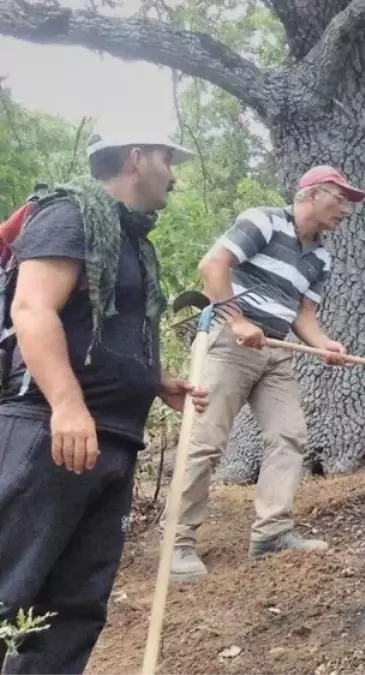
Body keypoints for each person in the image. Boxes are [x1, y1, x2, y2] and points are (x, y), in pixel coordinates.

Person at [0, 132, 209, 675]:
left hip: (113, 440)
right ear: (136, 157)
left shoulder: (133, 238)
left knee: (74, 607)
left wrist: (154, 378)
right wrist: (68, 406)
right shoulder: (68, 214)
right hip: (47, 433)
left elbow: (102, 327)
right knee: (8, 586)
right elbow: (31, 309)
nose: (174, 173)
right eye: (167, 158)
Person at [170, 165, 359, 583]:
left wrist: (323, 343)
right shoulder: (264, 221)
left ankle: (272, 532)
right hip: (229, 342)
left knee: (290, 435)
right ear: (311, 193)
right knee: (205, 441)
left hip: (276, 351)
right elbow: (213, 265)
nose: (346, 210)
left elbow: (303, 314)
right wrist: (236, 320)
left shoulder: (321, 256)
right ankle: (178, 542)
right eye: (340, 198)